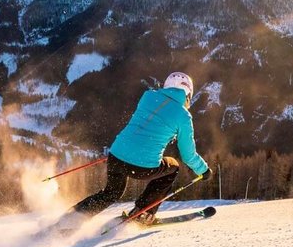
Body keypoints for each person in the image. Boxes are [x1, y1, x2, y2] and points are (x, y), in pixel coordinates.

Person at [67, 71, 209, 227]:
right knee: (173, 167)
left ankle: (72, 217)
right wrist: (203, 170)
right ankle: (143, 212)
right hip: (142, 166)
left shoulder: (148, 97)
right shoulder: (183, 116)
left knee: (111, 193)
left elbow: (144, 126)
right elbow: (188, 155)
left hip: (116, 155)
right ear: (188, 93)